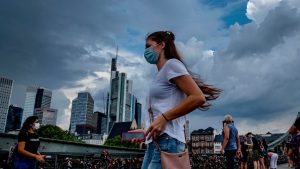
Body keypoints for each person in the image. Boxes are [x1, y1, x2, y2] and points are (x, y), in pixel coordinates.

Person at [131, 31, 221, 169]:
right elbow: (161, 110)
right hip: (155, 142)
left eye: (148, 46)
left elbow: (198, 97)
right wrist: (147, 131)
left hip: (168, 141)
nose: (145, 51)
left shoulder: (172, 65)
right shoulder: (160, 74)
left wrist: (164, 118)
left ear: (161, 45)